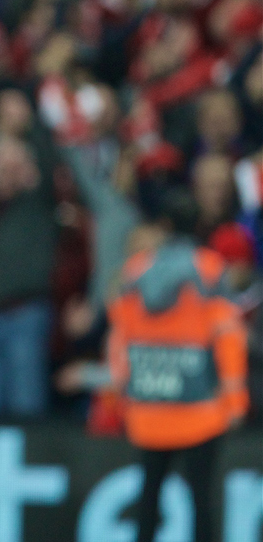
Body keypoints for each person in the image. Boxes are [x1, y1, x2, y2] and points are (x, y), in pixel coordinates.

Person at [106, 210, 249, 542]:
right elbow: (229, 339)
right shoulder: (211, 270)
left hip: (148, 409)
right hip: (201, 412)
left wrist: (120, 394)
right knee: (201, 500)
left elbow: (119, 339)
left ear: (163, 227)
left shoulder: (135, 270)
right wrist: (235, 402)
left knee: (148, 500)